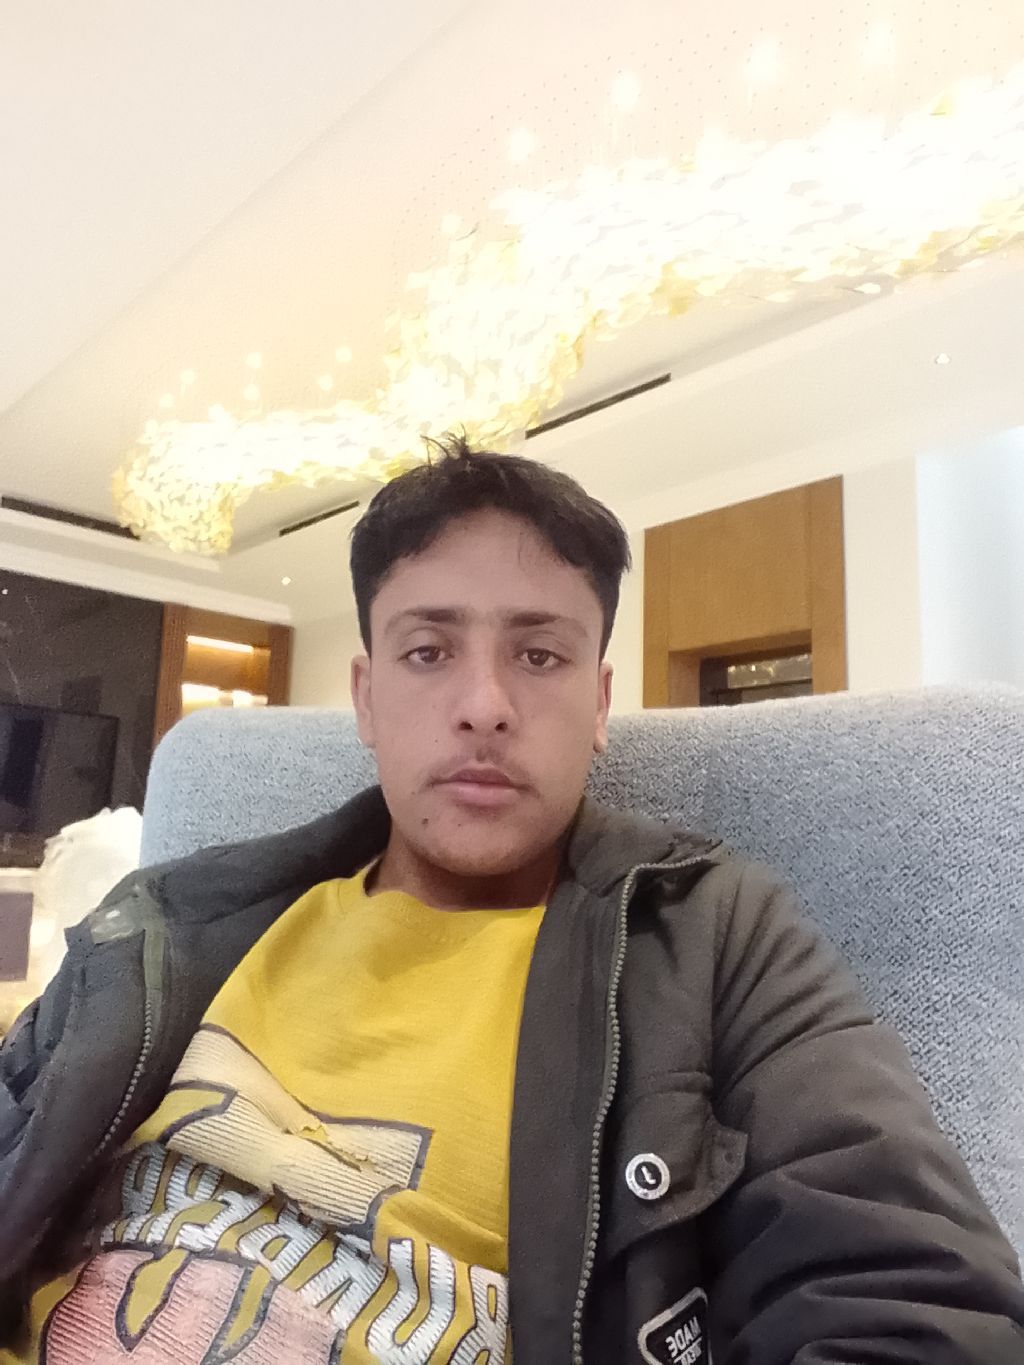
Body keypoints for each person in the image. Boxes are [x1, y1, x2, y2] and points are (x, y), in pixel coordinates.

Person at [0, 437, 1021, 1364]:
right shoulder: (172, 917)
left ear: (599, 703)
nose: (484, 705)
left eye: (539, 655)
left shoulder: (713, 938)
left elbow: (913, 1308)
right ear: (366, 696)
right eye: (427, 651)